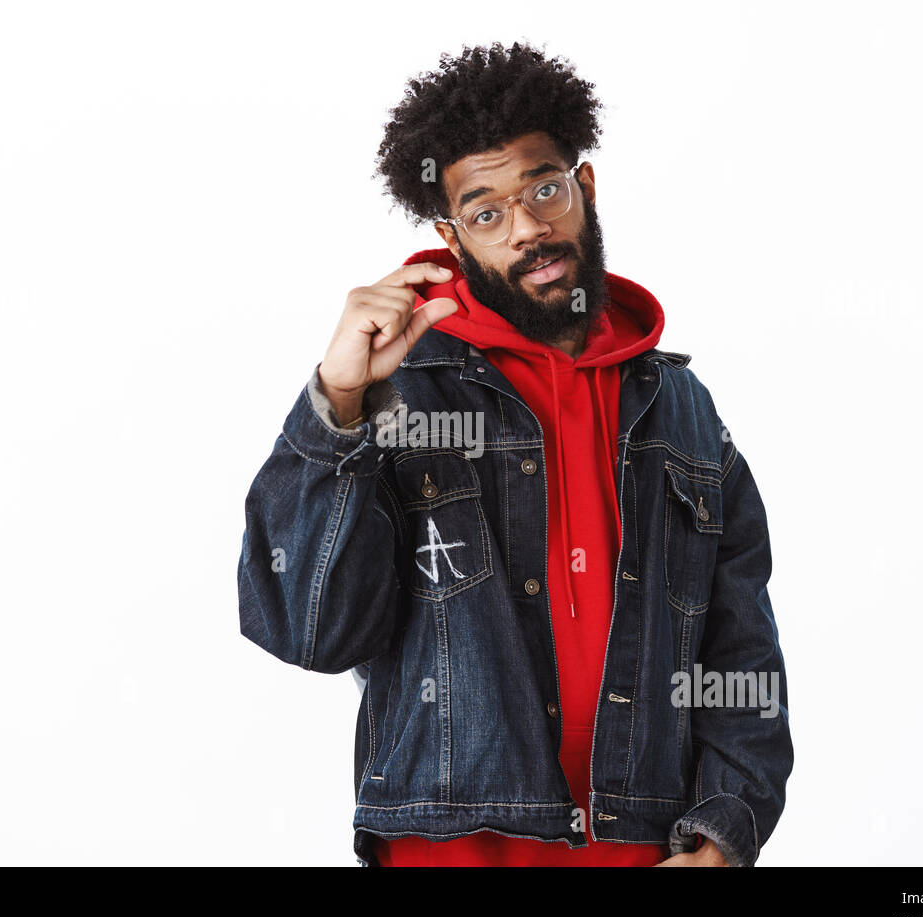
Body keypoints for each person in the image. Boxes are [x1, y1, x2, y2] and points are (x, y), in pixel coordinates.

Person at [237, 41, 792, 866]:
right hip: (448, 850)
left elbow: (740, 658)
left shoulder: (682, 412)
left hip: (639, 848)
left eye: (544, 188)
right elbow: (307, 631)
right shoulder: (399, 397)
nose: (529, 227)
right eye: (487, 211)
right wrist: (338, 403)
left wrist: (722, 834)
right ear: (452, 238)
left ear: (585, 186)